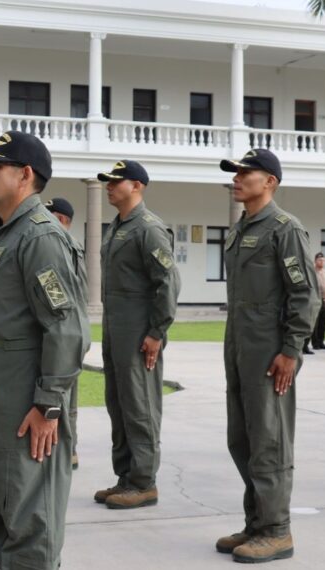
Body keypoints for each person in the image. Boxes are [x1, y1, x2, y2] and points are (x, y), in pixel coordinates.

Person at [0, 131, 90, 569]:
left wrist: (48, 405)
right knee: (2, 521)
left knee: (31, 524)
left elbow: (67, 328)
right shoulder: (1, 235)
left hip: (25, 411)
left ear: (25, 175)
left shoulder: (40, 238)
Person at [215, 149, 316, 563]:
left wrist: (291, 350)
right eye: (235, 173)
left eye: (246, 173)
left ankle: (277, 530)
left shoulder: (284, 229)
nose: (237, 178)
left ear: (270, 181)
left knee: (269, 441)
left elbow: (304, 294)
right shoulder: (240, 230)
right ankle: (257, 521)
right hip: (239, 346)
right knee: (242, 438)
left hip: (269, 352)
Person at [93, 159, 181, 510]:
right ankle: (126, 476)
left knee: (140, 405)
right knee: (118, 404)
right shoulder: (118, 226)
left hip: (138, 333)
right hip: (116, 329)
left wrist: (157, 332)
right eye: (107, 181)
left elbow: (167, 282)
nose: (109, 186)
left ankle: (144, 482)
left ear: (137, 186)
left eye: (116, 181)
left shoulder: (148, 228)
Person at [45, 196, 87, 469]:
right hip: (69, 326)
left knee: (64, 395)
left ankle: (67, 450)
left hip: (65, 327)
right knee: (67, 396)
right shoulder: (63, 244)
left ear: (61, 220)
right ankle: (68, 450)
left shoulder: (61, 246)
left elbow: (58, 295)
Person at [303, 253, 325, 354]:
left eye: (323, 260)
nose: (322, 262)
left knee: (323, 322)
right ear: (315, 261)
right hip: (315, 300)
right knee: (314, 323)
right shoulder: (312, 272)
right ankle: (314, 343)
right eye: (320, 260)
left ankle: (321, 342)